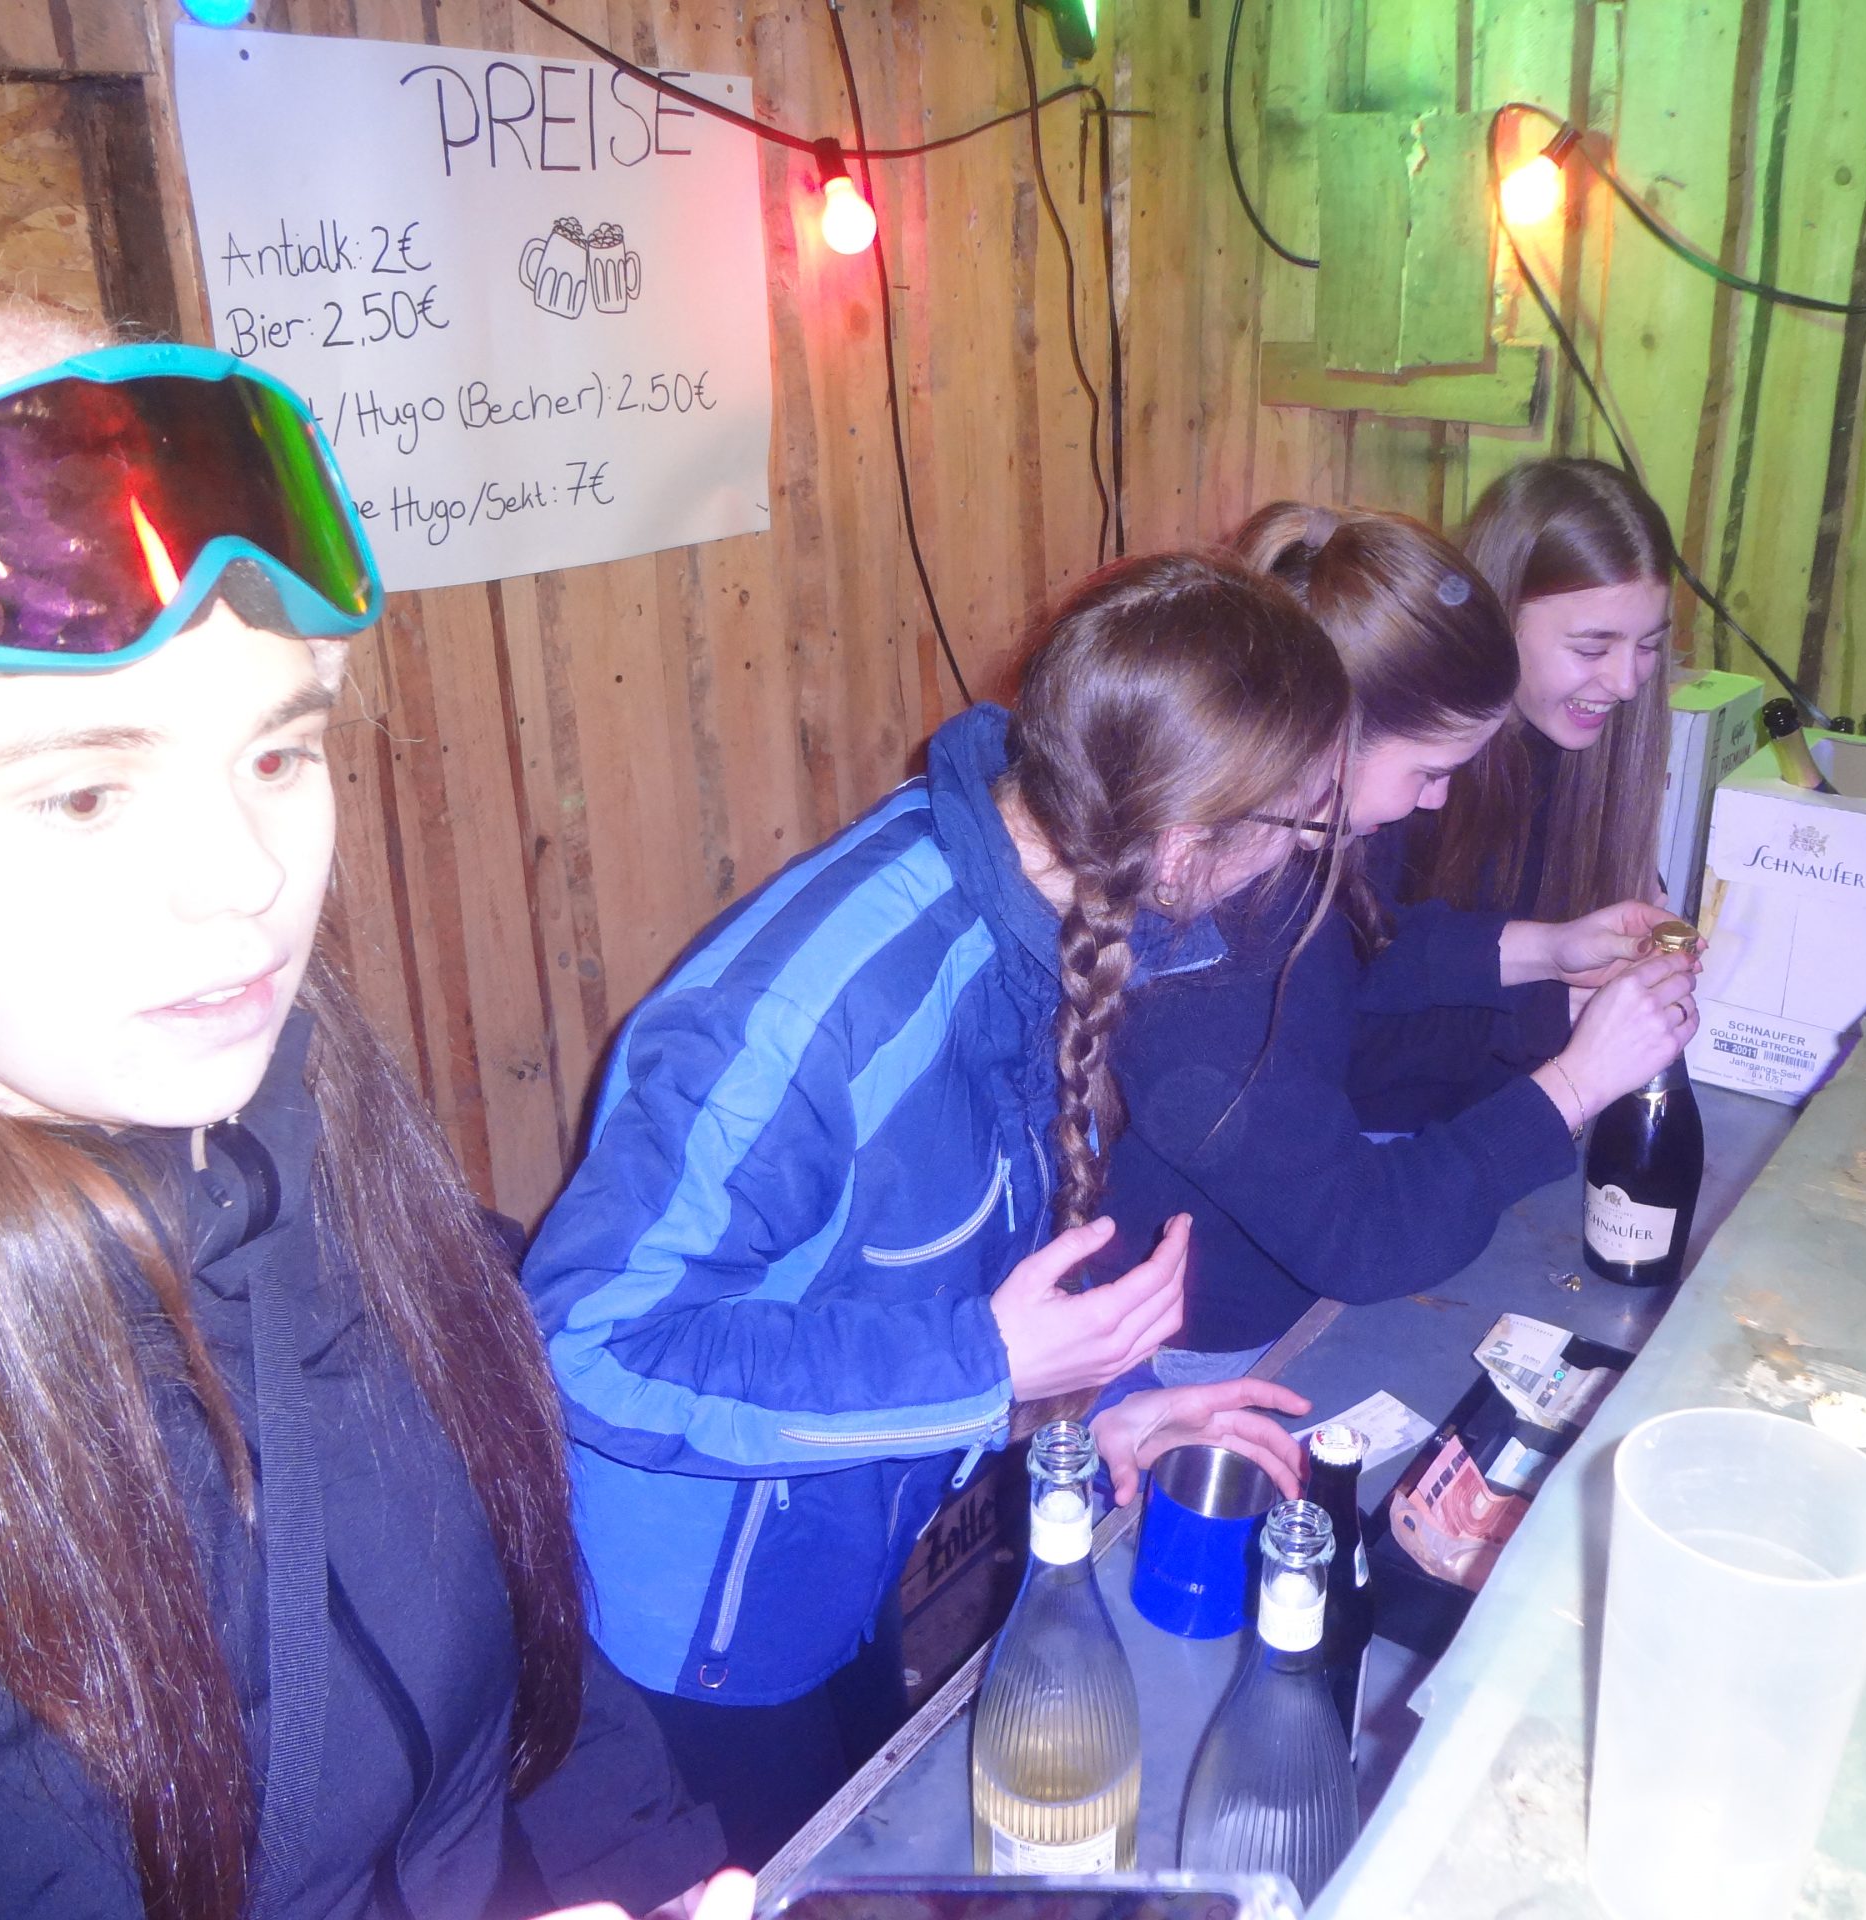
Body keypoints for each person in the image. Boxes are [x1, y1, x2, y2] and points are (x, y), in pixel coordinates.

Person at [0, 295, 721, 1920]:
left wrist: (667, 1881)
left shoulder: (342, 1160)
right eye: (83, 793)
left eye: (274, 758)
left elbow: (545, 1685)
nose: (244, 880)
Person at [523, 553, 1336, 1863]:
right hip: (694, 1632)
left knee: (873, 1826)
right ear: (1187, 842)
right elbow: (586, 1348)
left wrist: (1096, 1416)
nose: (1303, 861)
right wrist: (990, 1367)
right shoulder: (809, 1012)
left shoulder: (1060, 921)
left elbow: (926, 1297)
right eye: (1301, 827)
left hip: (837, 1554)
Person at [1104, 505, 1698, 1366]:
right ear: (1331, 736)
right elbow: (1363, 1237)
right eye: (1429, 772)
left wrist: (1547, 949)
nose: (1437, 801)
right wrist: (1579, 1080)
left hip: (1282, 1293)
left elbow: (1366, 953)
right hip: (1204, 1344)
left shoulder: (1290, 844)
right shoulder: (1196, 961)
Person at [1353, 458, 1681, 1131]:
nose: (1626, 683)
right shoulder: (1399, 780)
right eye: (1591, 648)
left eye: (1648, 645)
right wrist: (1553, 1012)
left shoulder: (1583, 753)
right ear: (1499, 620)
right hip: (1393, 1147)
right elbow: (1347, 1042)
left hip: (1517, 1131)